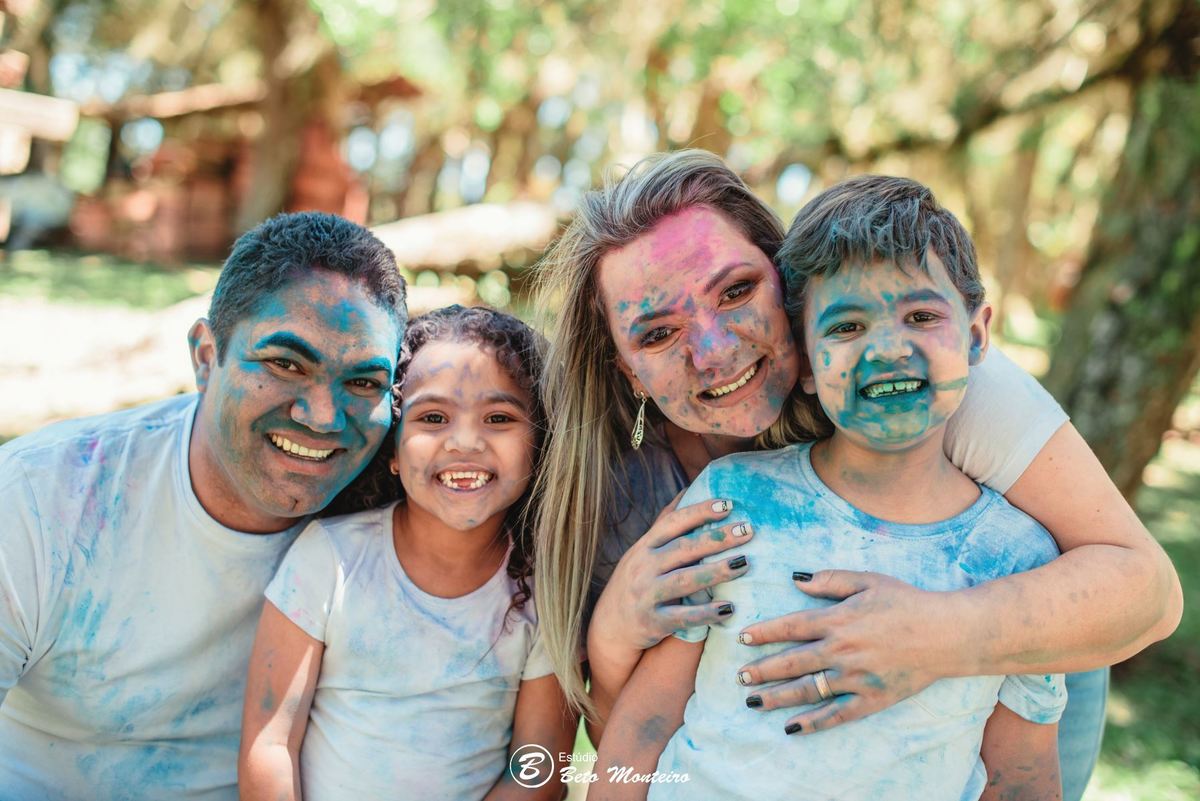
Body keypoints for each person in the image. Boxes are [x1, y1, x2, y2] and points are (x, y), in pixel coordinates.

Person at [530, 149, 1181, 800]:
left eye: (736, 291)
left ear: (784, 280)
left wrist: (931, 637)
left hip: (1037, 657)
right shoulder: (622, 484)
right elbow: (639, 740)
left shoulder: (929, 384)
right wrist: (611, 636)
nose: (715, 350)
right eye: (657, 334)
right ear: (625, 369)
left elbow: (1149, 595)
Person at [593, 175, 1066, 801]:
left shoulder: (1018, 552)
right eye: (846, 328)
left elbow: (1021, 774)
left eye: (921, 317)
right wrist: (609, 630)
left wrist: (946, 634)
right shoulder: (728, 501)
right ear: (809, 356)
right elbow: (639, 730)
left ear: (977, 335)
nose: (888, 348)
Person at [0, 212, 407, 800]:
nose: (323, 417)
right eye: (286, 364)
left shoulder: (399, 521)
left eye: (364, 382)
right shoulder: (43, 496)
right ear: (205, 355)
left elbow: (521, 749)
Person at [239, 306, 577, 801]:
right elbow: (270, 745)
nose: (465, 442)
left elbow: (538, 772)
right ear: (393, 449)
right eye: (433, 418)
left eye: (499, 418)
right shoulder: (330, 560)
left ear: (539, 444)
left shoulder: (545, 593)